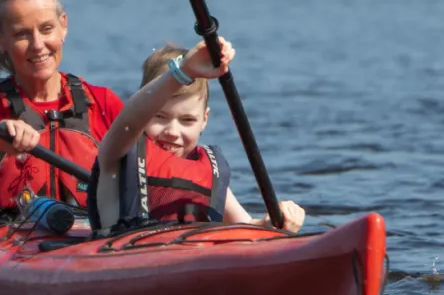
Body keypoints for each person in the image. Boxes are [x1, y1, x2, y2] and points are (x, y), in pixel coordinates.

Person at [0, 0, 124, 214]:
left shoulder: (102, 102)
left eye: (46, 28)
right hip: (7, 235)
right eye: (22, 34)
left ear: (63, 25)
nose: (38, 45)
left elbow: (148, 158)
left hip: (90, 236)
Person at [89, 39, 305, 235]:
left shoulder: (210, 170)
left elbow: (248, 229)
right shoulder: (117, 154)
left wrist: (276, 222)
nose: (172, 131)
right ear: (145, 112)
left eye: (187, 120)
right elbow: (128, 122)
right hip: (126, 261)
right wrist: (182, 71)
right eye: (160, 117)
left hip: (191, 262)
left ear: (205, 119)